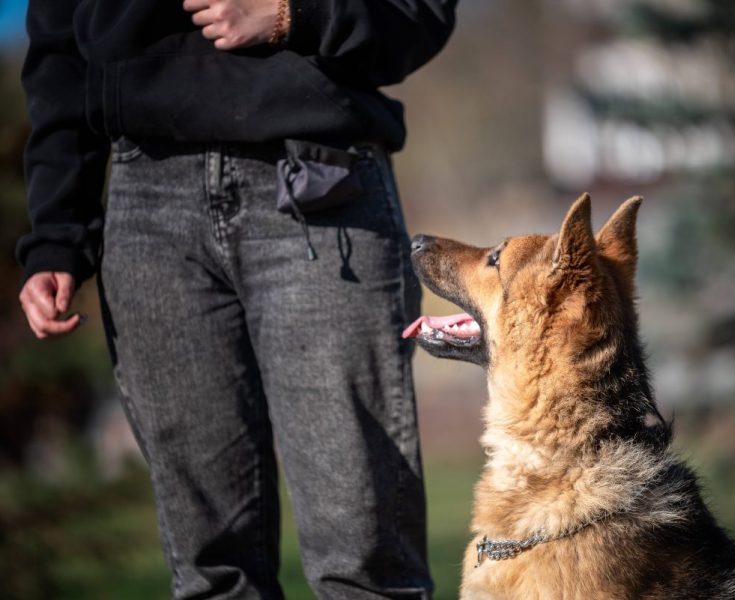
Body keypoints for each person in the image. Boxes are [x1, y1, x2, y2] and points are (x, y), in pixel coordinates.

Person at [16, 1, 457, 598]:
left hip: (317, 181)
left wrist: (291, 14)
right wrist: (56, 234)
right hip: (147, 202)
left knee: (365, 564)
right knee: (213, 575)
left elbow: (417, 13)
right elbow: (58, 51)